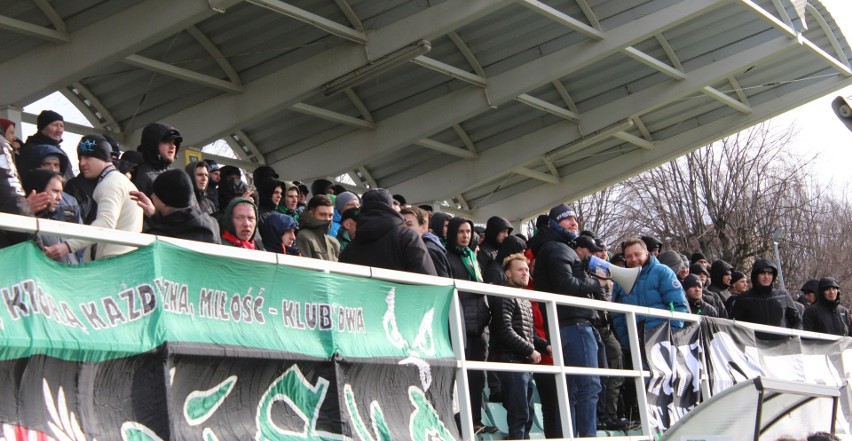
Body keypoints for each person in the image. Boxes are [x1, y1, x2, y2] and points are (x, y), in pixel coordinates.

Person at [528, 204, 604, 438]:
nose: (574, 223)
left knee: (573, 388)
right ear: (553, 224)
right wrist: (595, 283)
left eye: (575, 219)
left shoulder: (554, 248)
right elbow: (566, 285)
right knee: (587, 386)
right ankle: (586, 436)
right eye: (567, 219)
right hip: (574, 325)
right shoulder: (557, 249)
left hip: (568, 325)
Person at [43, 134, 143, 262]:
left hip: (112, 263)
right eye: (80, 158)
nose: (82, 163)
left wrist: (67, 246)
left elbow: (105, 223)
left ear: (103, 157)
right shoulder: (120, 180)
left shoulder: (110, 183)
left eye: (88, 157)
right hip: (122, 261)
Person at [488, 253, 549, 440]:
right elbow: (505, 331)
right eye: (520, 270)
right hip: (511, 360)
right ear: (507, 273)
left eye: (527, 270)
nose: (525, 274)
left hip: (522, 363)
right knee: (520, 413)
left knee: (527, 413)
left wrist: (545, 345)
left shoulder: (523, 297)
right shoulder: (505, 295)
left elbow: (528, 332)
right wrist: (529, 350)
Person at [445, 216, 494, 434]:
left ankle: (475, 419)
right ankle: (459, 420)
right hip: (461, 323)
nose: (465, 236)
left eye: (468, 232)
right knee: (460, 376)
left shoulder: (473, 257)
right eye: (461, 232)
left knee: (476, 376)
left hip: (480, 324)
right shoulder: (447, 257)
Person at [611, 237, 689, 350]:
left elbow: (677, 305)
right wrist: (628, 342)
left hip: (664, 341)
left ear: (647, 253)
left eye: (637, 254)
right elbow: (617, 315)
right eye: (629, 256)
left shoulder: (663, 272)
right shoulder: (620, 281)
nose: (633, 259)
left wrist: (672, 335)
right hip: (637, 344)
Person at [339, 189, 436, 275]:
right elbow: (428, 277)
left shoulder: (352, 246)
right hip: (401, 294)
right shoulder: (407, 236)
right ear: (390, 207)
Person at [130, 169, 220, 244]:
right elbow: (178, 225)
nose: (152, 196)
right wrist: (154, 216)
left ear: (165, 200)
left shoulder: (155, 237)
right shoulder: (212, 225)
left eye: (156, 193)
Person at [731, 259, 802, 339]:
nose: (766, 277)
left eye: (769, 273)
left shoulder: (782, 296)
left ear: (773, 276)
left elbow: (797, 320)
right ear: (756, 275)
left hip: (781, 346)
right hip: (754, 347)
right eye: (763, 273)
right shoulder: (744, 298)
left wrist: (794, 335)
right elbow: (735, 324)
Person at [21, 169, 78, 264]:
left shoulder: (57, 222)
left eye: (61, 192)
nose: (60, 198)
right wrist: (25, 212)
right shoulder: (16, 223)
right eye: (55, 191)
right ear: (38, 190)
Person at [133, 122, 182, 196]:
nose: (173, 146)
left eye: (174, 142)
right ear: (153, 145)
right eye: (167, 141)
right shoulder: (143, 176)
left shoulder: (176, 174)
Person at [401, 206, 451, 277]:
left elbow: (442, 282)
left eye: (409, 224)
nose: (403, 228)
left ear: (424, 227)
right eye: (400, 224)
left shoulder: (429, 250)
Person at [18, 110, 66, 178]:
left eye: (62, 126)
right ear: (43, 127)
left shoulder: (60, 152)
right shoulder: (30, 150)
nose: (59, 130)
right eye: (55, 125)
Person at [296, 194, 340, 261]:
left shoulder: (334, 242)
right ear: (311, 214)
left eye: (330, 215)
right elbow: (304, 267)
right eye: (322, 214)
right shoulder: (303, 236)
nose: (327, 219)